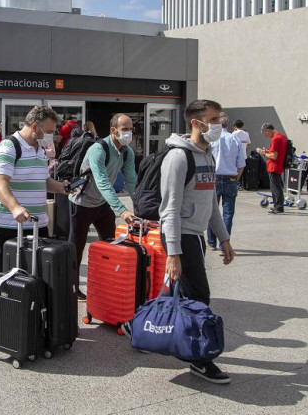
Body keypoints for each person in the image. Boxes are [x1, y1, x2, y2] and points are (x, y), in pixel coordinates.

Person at [124, 99, 236, 384]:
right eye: (213, 120)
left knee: (176, 289)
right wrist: (173, 253)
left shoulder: (207, 154)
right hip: (180, 233)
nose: (218, 125)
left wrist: (223, 238)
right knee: (199, 297)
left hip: (195, 234)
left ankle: (135, 326)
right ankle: (199, 360)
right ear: (196, 123)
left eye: (220, 119)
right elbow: (169, 209)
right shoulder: (178, 158)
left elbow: (210, 201)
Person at [0, 106, 71, 325]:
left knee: (32, 268)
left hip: (36, 222)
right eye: (49, 130)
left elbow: (43, 181)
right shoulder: (9, 147)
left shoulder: (39, 149)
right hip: (8, 220)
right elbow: (0, 182)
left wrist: (63, 187)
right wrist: (16, 207)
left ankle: (24, 305)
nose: (52, 136)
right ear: (35, 127)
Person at [68, 113, 137, 300]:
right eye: (125, 129)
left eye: (131, 129)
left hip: (102, 204)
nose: (129, 133)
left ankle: (108, 284)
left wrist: (139, 206)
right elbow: (102, 183)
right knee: (76, 250)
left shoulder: (127, 152)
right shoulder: (98, 149)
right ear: (113, 131)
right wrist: (122, 210)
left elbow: (131, 180)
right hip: (81, 204)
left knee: (112, 246)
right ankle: (72, 289)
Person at [206, 115, 245, 251]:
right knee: (228, 214)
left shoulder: (211, 140)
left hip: (214, 178)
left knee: (211, 211)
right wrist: (236, 178)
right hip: (230, 178)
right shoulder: (235, 139)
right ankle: (224, 243)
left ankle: (211, 242)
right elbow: (241, 164)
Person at [257, 123, 288, 214]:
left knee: (275, 187)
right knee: (276, 186)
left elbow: (274, 156)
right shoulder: (282, 137)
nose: (266, 136)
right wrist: (266, 151)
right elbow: (277, 151)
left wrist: (263, 153)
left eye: (265, 134)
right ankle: (277, 206)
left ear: (268, 130)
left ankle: (278, 207)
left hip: (273, 166)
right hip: (279, 165)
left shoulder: (275, 139)